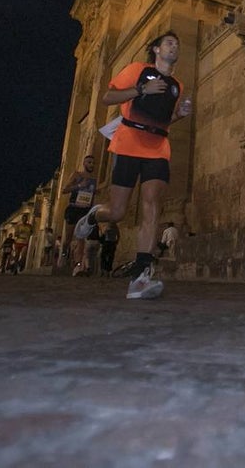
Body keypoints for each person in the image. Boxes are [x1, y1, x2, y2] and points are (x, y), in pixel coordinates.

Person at [74, 31, 193, 299]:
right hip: (128, 144)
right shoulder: (138, 71)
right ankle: (94, 215)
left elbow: (164, 120)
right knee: (117, 212)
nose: (175, 47)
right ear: (156, 49)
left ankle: (140, 278)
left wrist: (179, 115)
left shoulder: (177, 85)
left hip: (158, 147)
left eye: (177, 44)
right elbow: (107, 97)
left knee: (152, 205)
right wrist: (141, 89)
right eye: (170, 43)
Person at [60, 155, 98, 274]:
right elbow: (64, 190)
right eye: (89, 162)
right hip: (73, 209)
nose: (91, 165)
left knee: (81, 238)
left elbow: (92, 193)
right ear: (84, 163)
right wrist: (79, 186)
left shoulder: (93, 180)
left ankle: (78, 266)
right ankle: (64, 252)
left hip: (85, 211)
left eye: (93, 163)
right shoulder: (77, 175)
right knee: (68, 237)